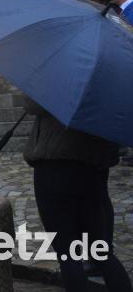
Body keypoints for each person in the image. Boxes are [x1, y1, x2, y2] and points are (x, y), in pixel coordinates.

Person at [22, 97, 132, 291]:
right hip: (91, 169)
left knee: (67, 252)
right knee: (101, 251)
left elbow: (31, 105)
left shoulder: (60, 75)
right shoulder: (108, 85)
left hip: (54, 167)